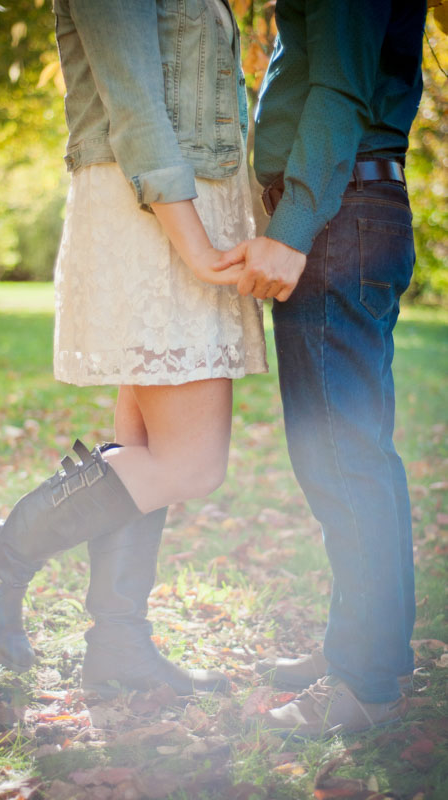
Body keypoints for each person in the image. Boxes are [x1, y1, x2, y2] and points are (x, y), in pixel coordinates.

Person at [0, 0, 268, 697]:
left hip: (184, 208)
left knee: (146, 449)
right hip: (151, 213)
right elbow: (135, 109)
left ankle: (118, 646)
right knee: (189, 465)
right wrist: (197, 248)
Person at [219, 0, 427, 734]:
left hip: (336, 214)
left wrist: (296, 218)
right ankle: (365, 653)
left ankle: (364, 685)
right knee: (351, 455)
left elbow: (339, 88)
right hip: (351, 207)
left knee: (343, 457)